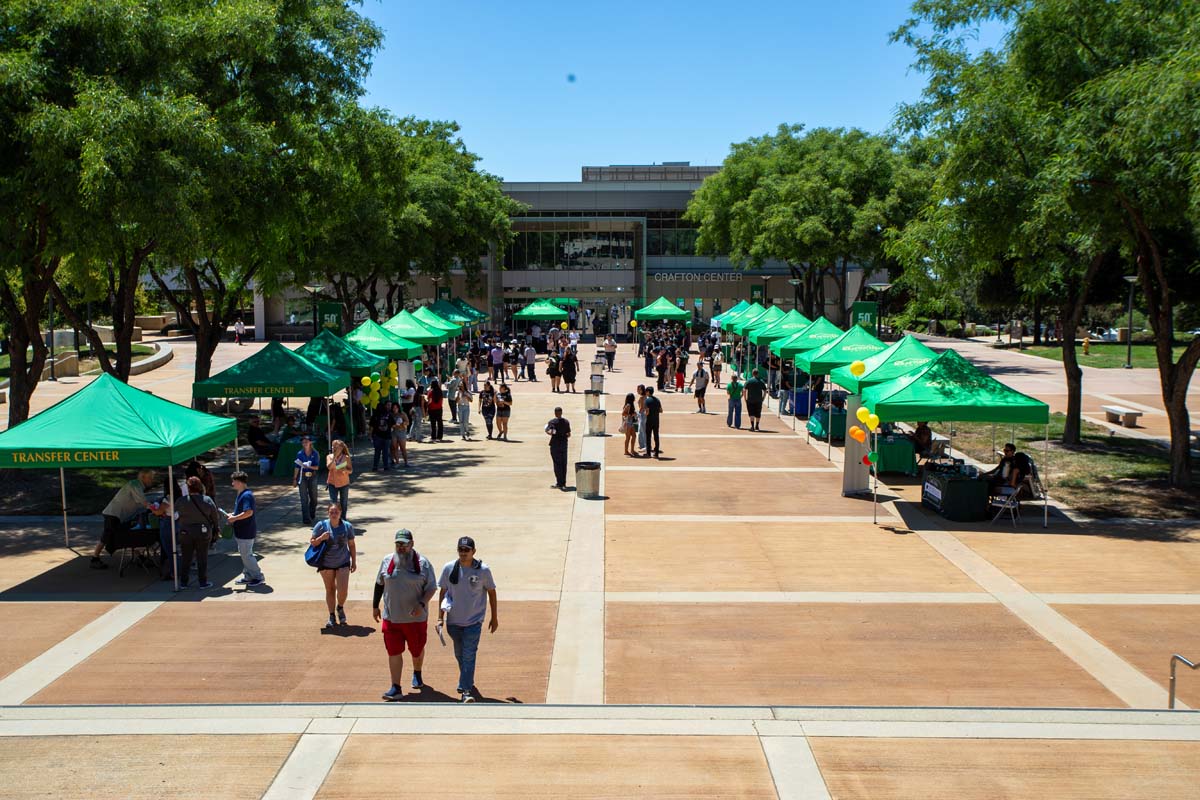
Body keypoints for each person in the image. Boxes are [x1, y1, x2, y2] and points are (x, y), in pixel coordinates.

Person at [373, 529, 438, 700]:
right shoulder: (387, 561)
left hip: (415, 619)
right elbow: (379, 583)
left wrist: (422, 604)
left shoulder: (423, 564)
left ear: (412, 544)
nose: (401, 547)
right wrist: (375, 606)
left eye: (404, 544)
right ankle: (396, 687)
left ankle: (417, 671)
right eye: (398, 544)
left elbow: (431, 587)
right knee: (393, 652)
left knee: (416, 650)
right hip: (391, 617)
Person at [438, 536, 498, 703]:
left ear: (474, 551)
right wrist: (439, 618)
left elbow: (492, 592)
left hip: (474, 622)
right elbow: (442, 592)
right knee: (460, 655)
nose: (463, 553)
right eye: (461, 550)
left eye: (467, 550)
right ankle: (467, 680)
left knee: (469, 655)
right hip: (454, 622)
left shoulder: (483, 570)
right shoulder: (449, 568)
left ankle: (466, 690)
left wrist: (494, 617)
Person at [92, 469, 156, 569]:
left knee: (127, 536)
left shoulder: (137, 486)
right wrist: (154, 508)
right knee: (106, 537)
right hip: (113, 514)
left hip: (119, 516)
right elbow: (142, 501)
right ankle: (94, 559)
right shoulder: (135, 484)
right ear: (143, 477)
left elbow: (140, 504)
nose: (152, 480)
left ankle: (139, 557)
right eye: (150, 478)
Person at [311, 503, 357, 629]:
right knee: (330, 589)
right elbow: (313, 542)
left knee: (343, 591)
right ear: (328, 513)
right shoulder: (321, 526)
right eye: (331, 512)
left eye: (336, 512)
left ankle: (340, 607)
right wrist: (321, 538)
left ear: (341, 513)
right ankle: (331, 615)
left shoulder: (347, 527)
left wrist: (354, 561)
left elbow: (352, 545)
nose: (334, 514)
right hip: (326, 564)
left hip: (343, 562)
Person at [175, 476, 220, 590]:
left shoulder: (181, 501)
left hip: (185, 532)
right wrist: (216, 528)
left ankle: (184, 582)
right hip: (203, 531)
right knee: (202, 557)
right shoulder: (207, 500)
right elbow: (215, 516)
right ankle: (202, 582)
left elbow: (175, 515)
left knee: (186, 557)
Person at [226, 471, 264, 587]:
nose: (233, 484)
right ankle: (248, 575)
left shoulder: (246, 495)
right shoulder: (241, 494)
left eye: (234, 481)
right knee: (244, 554)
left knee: (247, 555)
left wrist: (234, 518)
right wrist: (234, 515)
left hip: (246, 530)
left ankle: (258, 576)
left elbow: (249, 512)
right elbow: (243, 511)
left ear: (239, 482)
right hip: (242, 530)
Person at [293, 435, 321, 525]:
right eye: (303, 442)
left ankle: (311, 512)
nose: (304, 443)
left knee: (314, 497)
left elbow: (316, 467)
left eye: (306, 441)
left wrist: (308, 466)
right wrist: (294, 479)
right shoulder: (300, 453)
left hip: (312, 476)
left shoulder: (315, 453)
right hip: (303, 476)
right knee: (303, 498)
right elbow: (297, 466)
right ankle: (306, 518)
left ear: (310, 443)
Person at [325, 439, 352, 518]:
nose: (334, 449)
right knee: (333, 502)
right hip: (332, 482)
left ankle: (343, 519)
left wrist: (345, 470)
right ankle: (334, 519)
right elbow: (329, 467)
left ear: (341, 448)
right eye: (333, 447)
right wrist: (334, 457)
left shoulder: (346, 457)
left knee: (343, 502)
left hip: (344, 483)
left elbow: (350, 470)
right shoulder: (329, 456)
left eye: (336, 447)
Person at [546, 406, 571, 490]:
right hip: (564, 444)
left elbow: (550, 431)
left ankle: (559, 483)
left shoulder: (552, 422)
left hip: (555, 445)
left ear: (555, 413)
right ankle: (563, 483)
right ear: (561, 412)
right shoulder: (566, 422)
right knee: (564, 464)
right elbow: (569, 434)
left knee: (557, 464)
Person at [643, 386, 663, 458]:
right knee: (656, 436)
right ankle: (656, 452)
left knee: (648, 437)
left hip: (649, 421)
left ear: (648, 392)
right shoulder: (657, 400)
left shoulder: (647, 401)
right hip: (656, 420)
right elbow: (661, 410)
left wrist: (645, 414)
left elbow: (647, 412)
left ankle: (648, 453)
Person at [391, 401, 410, 467]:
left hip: (401, 432)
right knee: (395, 447)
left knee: (403, 448)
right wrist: (393, 425)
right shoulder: (391, 414)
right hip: (393, 432)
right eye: (393, 408)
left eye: (396, 408)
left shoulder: (402, 414)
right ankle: (397, 462)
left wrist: (403, 423)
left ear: (398, 408)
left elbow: (408, 422)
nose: (395, 409)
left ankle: (406, 462)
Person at [426, 378, 445, 442]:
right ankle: (440, 436)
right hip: (439, 408)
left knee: (433, 423)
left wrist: (427, 405)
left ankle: (433, 436)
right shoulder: (440, 391)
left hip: (432, 409)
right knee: (440, 423)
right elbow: (442, 400)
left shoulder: (431, 392)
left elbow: (430, 401)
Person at [621, 392, 637, 456]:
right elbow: (623, 413)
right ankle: (626, 451)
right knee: (628, 437)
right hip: (628, 423)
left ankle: (632, 450)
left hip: (631, 422)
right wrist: (631, 414)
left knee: (634, 436)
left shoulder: (630, 405)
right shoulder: (628, 405)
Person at [636, 384, 648, 456]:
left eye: (638, 389)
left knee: (641, 430)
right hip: (645, 414)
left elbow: (641, 408)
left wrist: (637, 414)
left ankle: (643, 445)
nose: (637, 390)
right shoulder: (646, 396)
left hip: (642, 415)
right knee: (643, 430)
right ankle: (643, 444)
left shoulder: (641, 398)